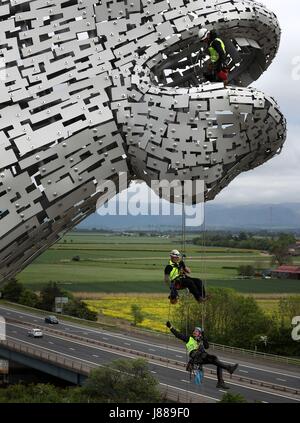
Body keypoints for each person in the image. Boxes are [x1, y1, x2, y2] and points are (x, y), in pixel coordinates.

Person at [166, 322, 238, 389]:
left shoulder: (201, 340)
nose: (194, 332)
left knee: (216, 360)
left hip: (202, 357)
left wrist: (204, 337)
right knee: (213, 358)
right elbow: (178, 335)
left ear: (199, 334)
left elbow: (207, 347)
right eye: (194, 331)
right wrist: (171, 327)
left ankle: (220, 382)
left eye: (196, 331)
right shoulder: (189, 338)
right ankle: (229, 368)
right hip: (196, 357)